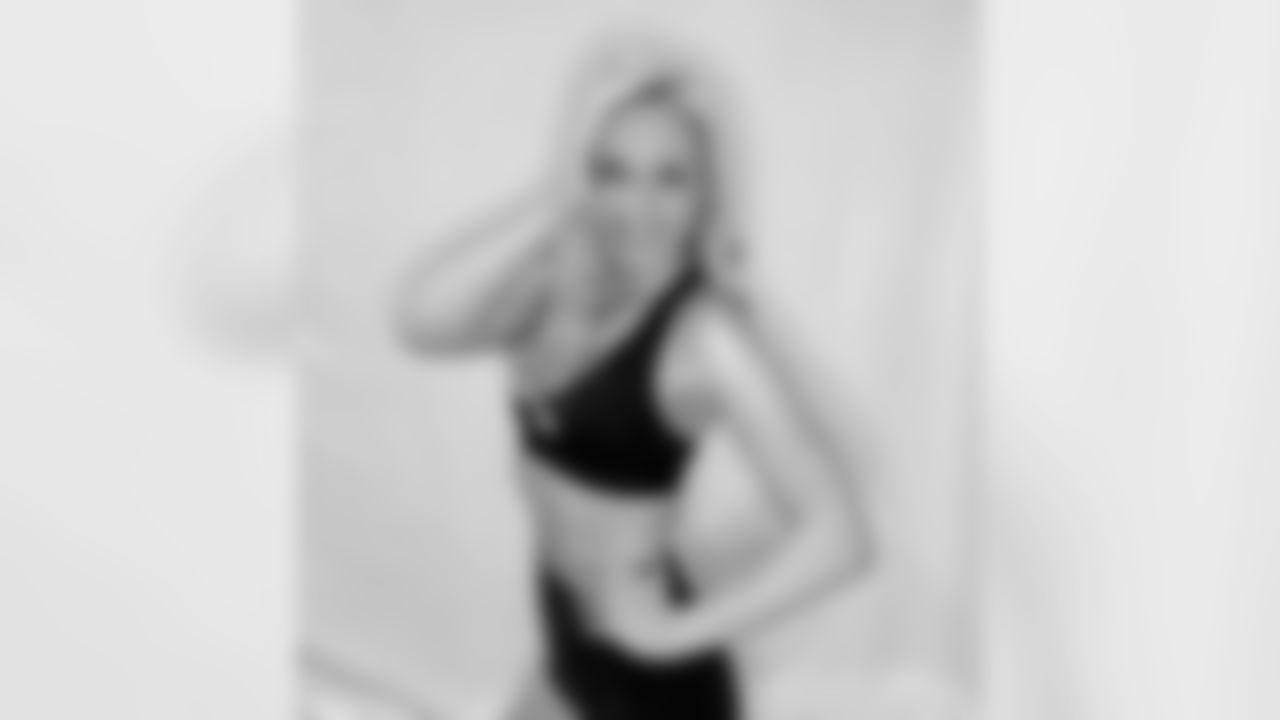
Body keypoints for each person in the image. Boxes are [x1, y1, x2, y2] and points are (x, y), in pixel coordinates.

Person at [394, 38, 873, 720]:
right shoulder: (551, 285)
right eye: (611, 171)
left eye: (670, 178)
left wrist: (671, 635)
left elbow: (842, 537)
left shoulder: (706, 337)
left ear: (706, 193)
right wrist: (552, 189)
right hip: (567, 651)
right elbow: (420, 321)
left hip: (652, 694)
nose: (637, 207)